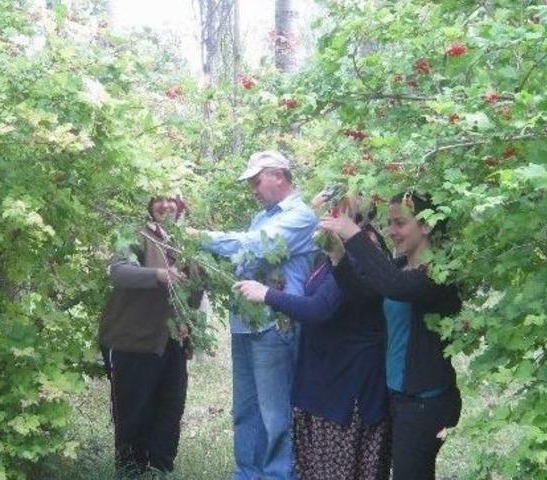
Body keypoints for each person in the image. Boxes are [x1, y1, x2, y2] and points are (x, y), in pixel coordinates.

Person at [234, 201, 392, 480]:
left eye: (337, 206)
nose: (327, 211)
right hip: (325, 374)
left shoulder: (362, 249)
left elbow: (321, 308)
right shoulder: (332, 247)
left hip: (347, 382)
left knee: (339, 469)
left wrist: (267, 294)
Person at [191, 150, 318, 480]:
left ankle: (278, 475)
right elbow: (244, 262)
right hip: (246, 324)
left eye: (256, 180)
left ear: (279, 175)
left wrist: (202, 238)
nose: (252, 189)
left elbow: (257, 248)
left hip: (276, 325)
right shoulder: (262, 217)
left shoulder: (301, 215)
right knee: (245, 411)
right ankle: (246, 473)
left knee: (276, 415)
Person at [320, 192, 462, 480]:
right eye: (389, 223)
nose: (391, 231)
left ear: (426, 226)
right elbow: (363, 295)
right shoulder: (400, 268)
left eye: (400, 223)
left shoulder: (439, 275)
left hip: (425, 402)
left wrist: (353, 233)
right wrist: (338, 258)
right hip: (398, 397)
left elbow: (395, 286)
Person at [98, 194, 200, 477]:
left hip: (172, 342)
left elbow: (195, 287)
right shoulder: (133, 234)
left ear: (182, 205)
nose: (166, 205)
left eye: (173, 200)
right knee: (133, 412)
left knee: (170, 409)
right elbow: (118, 272)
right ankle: (131, 470)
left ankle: (161, 469)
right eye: (159, 199)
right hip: (134, 340)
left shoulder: (186, 241)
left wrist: (188, 324)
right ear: (148, 203)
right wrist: (159, 274)